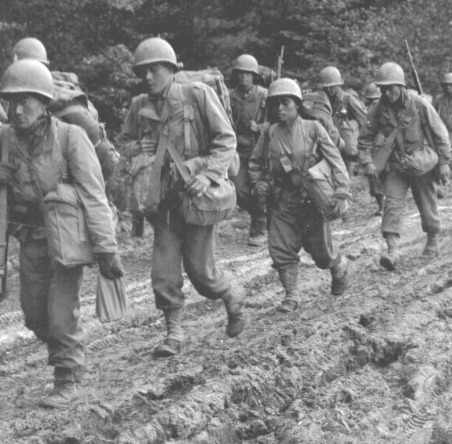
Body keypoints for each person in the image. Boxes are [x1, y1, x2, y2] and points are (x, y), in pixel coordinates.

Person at [0, 60, 121, 404]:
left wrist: (106, 248)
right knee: (34, 315)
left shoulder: (70, 137)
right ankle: (67, 355)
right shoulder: (3, 138)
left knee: (59, 314)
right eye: (11, 101)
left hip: (68, 240)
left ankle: (67, 377)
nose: (17, 108)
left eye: (25, 100)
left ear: (43, 103)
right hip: (30, 239)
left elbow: (93, 194)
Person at [117, 37, 247, 357]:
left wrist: (206, 175)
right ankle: (174, 334)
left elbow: (225, 139)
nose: (148, 77)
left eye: (155, 69)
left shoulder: (197, 95)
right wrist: (138, 148)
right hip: (162, 201)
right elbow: (124, 143)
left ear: (172, 69)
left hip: (197, 195)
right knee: (163, 273)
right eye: (143, 71)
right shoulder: (139, 106)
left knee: (203, 274)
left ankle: (232, 298)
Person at [248, 78, 350, 312]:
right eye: (275, 104)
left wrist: (342, 191)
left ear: (297, 104)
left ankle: (339, 266)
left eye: (285, 103)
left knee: (321, 252)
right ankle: (292, 296)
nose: (280, 109)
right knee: (280, 249)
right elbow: (255, 163)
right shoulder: (269, 134)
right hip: (281, 201)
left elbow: (336, 161)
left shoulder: (313, 129)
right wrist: (259, 183)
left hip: (311, 200)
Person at [358, 62, 451, 268]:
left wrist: (444, 162)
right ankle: (392, 251)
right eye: (383, 88)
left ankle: (433, 241)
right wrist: (367, 162)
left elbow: (440, 133)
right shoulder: (377, 109)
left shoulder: (418, 104)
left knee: (427, 204)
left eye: (390, 88)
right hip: (396, 166)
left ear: (400, 86)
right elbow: (364, 138)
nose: (387, 93)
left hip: (419, 164)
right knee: (391, 205)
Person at [229, 53, 268, 245]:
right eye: (240, 73)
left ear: (254, 75)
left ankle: (260, 228)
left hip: (259, 151)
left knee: (259, 189)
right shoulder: (230, 96)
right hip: (238, 152)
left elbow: (278, 123)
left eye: (247, 74)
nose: (243, 77)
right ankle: (260, 216)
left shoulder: (264, 95)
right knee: (237, 190)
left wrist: (260, 127)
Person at [317, 66, 368, 181]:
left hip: (344, 147)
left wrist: (363, 145)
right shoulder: (321, 100)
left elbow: (366, 120)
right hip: (327, 144)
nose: (329, 90)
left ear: (339, 85)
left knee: (343, 179)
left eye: (332, 87)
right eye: (327, 87)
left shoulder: (348, 99)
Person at [360, 81, 385, 213]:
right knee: (374, 177)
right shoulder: (367, 114)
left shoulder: (387, 110)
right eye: (370, 101)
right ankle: (381, 205)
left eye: (376, 100)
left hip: (387, 147)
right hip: (373, 148)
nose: (373, 104)